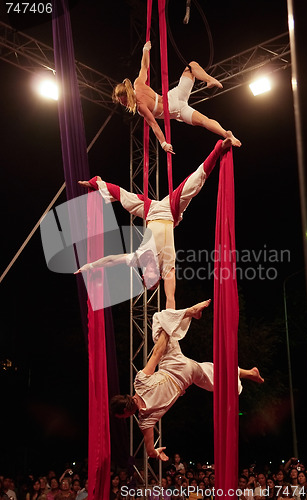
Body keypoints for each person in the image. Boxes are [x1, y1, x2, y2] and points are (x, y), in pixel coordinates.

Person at [76, 138, 232, 309]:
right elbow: (170, 300)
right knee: (194, 184)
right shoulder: (167, 269)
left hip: (149, 211)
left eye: (148, 281)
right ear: (158, 278)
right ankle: (219, 149)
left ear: (143, 276)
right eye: (155, 282)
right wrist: (169, 322)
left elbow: (111, 260)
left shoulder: (139, 258)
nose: (152, 278)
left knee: (125, 198)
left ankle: (97, 183)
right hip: (169, 211)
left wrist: (89, 266)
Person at [109, 299, 264, 460]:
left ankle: (183, 309)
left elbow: (149, 451)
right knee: (161, 321)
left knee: (218, 379)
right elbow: (156, 354)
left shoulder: (145, 421)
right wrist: (168, 331)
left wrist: (157, 453)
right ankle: (174, 284)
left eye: (122, 417)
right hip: (172, 363)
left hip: (184, 376)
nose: (125, 419)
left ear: (126, 412)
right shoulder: (139, 382)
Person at [112, 41, 241, 153]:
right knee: (192, 66)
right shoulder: (138, 84)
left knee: (203, 121)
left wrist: (164, 144)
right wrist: (145, 50)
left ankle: (225, 132)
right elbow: (144, 67)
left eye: (123, 102)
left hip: (175, 109)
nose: (124, 105)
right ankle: (226, 133)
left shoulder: (140, 107)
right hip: (173, 95)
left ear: (127, 95)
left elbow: (154, 125)